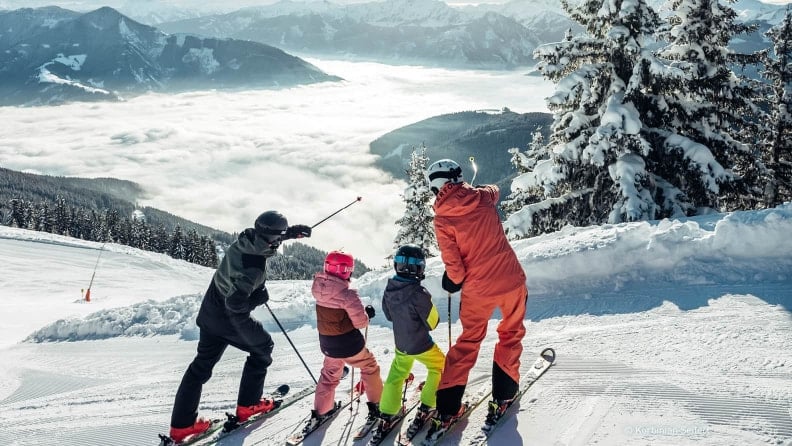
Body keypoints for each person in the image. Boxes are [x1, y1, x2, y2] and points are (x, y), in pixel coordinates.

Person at [167, 210, 312, 444]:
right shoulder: (253, 267)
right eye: (278, 238)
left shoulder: (245, 238)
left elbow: (263, 240)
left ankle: (182, 426)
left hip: (210, 312)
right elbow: (236, 305)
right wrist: (258, 297)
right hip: (229, 318)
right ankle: (248, 405)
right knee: (263, 348)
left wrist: (289, 233)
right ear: (270, 237)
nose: (277, 242)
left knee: (200, 367)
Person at [424, 158, 528, 438]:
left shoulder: (442, 219)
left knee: (468, 342)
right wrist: (480, 187)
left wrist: (451, 280)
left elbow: (455, 270)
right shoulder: (483, 198)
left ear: (435, 187)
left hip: (477, 290)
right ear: (458, 178)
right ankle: (504, 396)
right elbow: (495, 190)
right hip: (510, 280)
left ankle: (447, 409)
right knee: (511, 332)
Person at [308, 250, 383, 430]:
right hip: (348, 344)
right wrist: (368, 314)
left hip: (327, 343)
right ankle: (378, 404)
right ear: (346, 270)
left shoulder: (317, 289)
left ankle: (322, 410)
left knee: (329, 374)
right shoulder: (348, 295)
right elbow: (361, 323)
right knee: (369, 366)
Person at [375, 244, 445, 437]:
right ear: (420, 269)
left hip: (401, 345)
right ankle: (428, 405)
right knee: (439, 366)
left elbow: (389, 316)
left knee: (397, 373)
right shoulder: (419, 293)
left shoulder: (390, 289)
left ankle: (388, 412)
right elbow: (433, 322)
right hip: (422, 344)